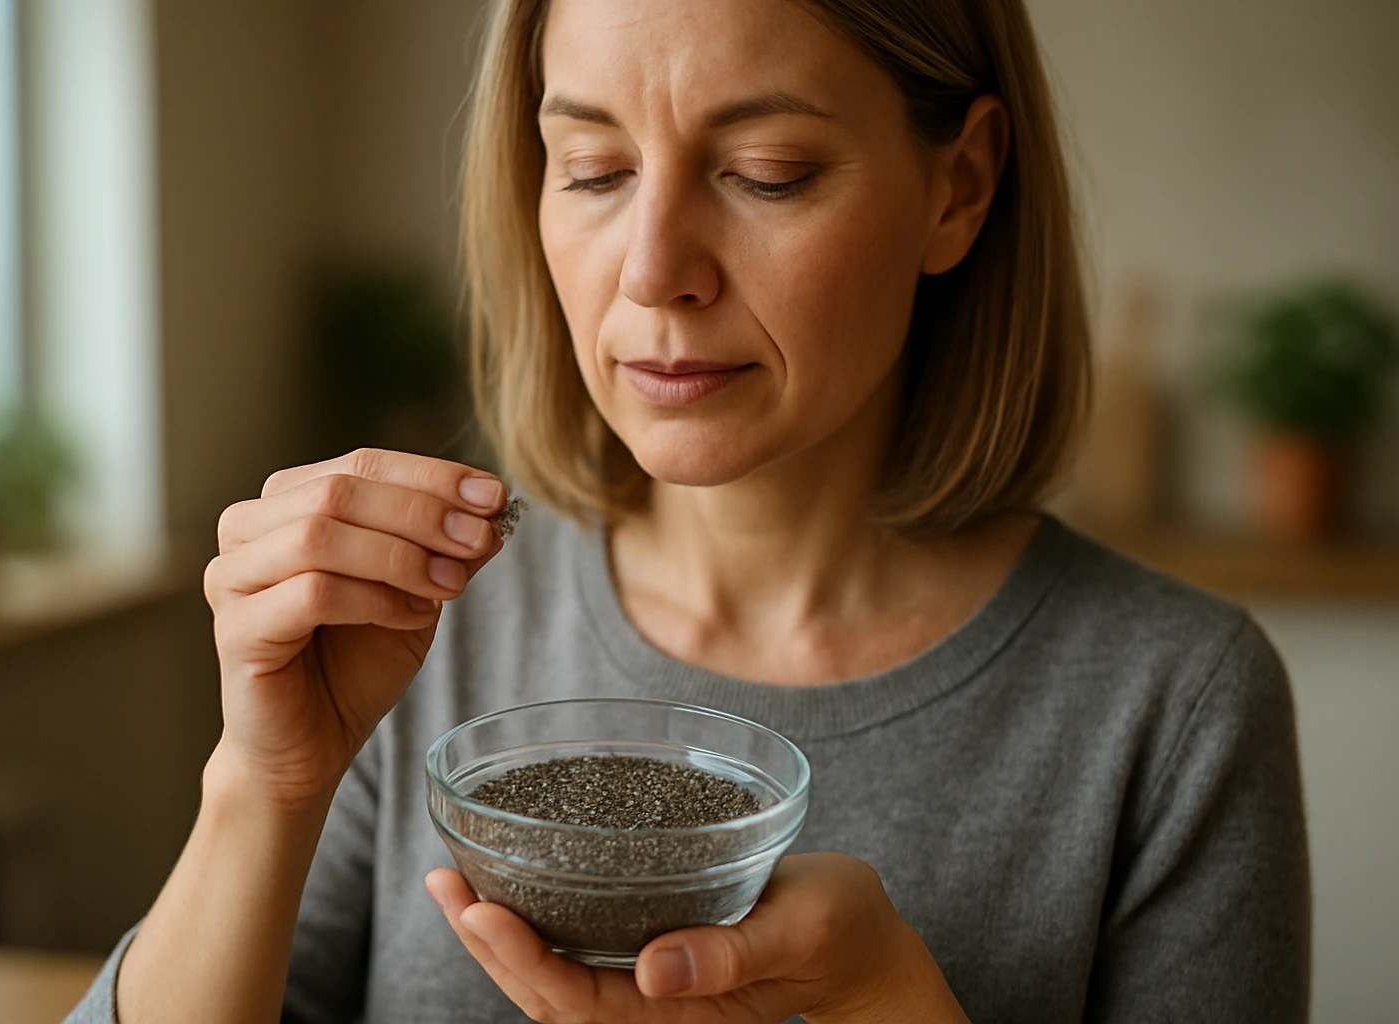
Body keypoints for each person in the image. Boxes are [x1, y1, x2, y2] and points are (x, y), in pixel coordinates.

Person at [67, 0, 1310, 1021]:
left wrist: (893, 1007)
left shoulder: (1174, 704)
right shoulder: (423, 624)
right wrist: (262, 786)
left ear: (960, 187)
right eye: (594, 169)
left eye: (766, 173)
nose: (655, 269)